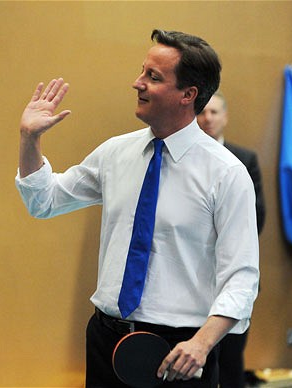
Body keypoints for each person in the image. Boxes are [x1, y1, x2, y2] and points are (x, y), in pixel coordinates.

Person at [15, 29, 259, 387]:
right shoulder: (115, 153)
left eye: (153, 77)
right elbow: (44, 201)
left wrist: (202, 344)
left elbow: (242, 277)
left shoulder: (226, 173)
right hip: (105, 341)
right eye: (142, 71)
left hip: (182, 352)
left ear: (188, 95)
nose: (137, 83)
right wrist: (30, 139)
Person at [197, 91, 266, 388]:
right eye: (204, 112)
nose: (208, 118)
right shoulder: (186, 157)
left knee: (229, 362)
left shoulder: (244, 159)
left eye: (214, 112)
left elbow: (256, 217)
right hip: (193, 277)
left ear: (225, 117)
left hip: (231, 274)